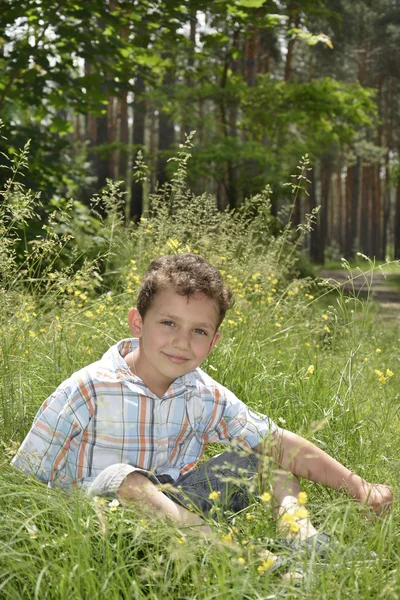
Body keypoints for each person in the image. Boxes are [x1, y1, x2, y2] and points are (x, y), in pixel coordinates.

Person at [11, 253, 392, 555]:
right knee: (126, 479)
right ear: (137, 323)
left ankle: (301, 540)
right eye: (169, 323)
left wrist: (361, 489)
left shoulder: (203, 394)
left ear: (213, 342)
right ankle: (253, 560)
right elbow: (25, 478)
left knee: (262, 455)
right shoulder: (87, 389)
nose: (182, 342)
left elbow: (277, 441)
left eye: (198, 331)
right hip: (105, 524)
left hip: (183, 512)